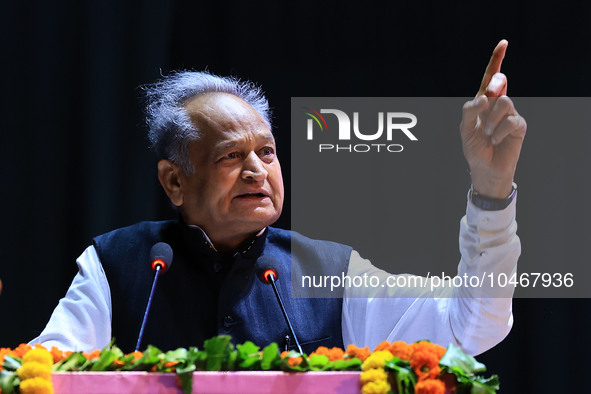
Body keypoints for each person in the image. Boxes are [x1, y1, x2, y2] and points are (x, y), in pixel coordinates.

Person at [31, 40, 525, 356]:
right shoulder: (119, 265)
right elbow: (46, 371)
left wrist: (491, 190)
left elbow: (471, 328)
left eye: (267, 151)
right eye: (230, 156)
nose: (257, 169)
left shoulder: (330, 270)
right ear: (174, 182)